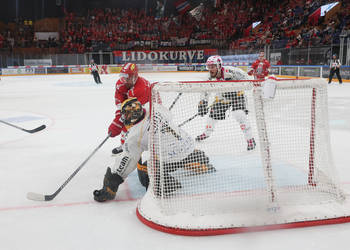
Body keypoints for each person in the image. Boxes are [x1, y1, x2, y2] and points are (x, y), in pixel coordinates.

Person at [93, 98, 215, 202]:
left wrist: (112, 181)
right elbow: (169, 115)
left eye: (126, 114)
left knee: (143, 168)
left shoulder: (135, 135)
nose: (125, 117)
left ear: (132, 114)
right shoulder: (154, 107)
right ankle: (196, 157)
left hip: (172, 156)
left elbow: (127, 160)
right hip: (188, 144)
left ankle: (165, 185)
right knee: (169, 144)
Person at [196, 55, 256, 151]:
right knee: (212, 115)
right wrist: (202, 103)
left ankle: (250, 139)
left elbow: (247, 79)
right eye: (209, 67)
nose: (210, 69)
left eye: (213, 66)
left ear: (219, 66)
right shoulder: (208, 77)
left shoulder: (231, 71)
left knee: (239, 114)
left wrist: (237, 87)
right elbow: (205, 91)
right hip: (222, 97)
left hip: (237, 95)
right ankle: (206, 133)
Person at [109, 63, 151, 155]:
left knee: (132, 128)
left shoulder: (141, 88)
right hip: (135, 107)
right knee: (126, 126)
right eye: (123, 77)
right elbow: (121, 105)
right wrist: (117, 121)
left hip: (149, 108)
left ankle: (130, 149)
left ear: (134, 77)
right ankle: (125, 146)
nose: (124, 80)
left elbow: (131, 112)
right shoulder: (121, 84)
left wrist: (117, 123)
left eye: (127, 77)